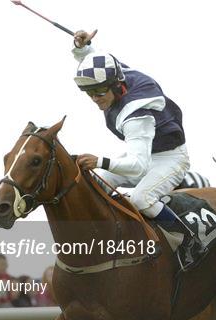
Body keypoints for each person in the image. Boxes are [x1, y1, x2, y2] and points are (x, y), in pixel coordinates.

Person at [71, 30, 200, 267]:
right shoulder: (120, 75)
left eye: (99, 93)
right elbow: (97, 62)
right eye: (89, 94)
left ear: (116, 86)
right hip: (145, 152)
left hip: (170, 159)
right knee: (94, 183)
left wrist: (99, 160)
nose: (95, 99)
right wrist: (82, 48)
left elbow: (138, 166)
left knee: (141, 199)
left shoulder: (135, 115)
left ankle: (189, 240)